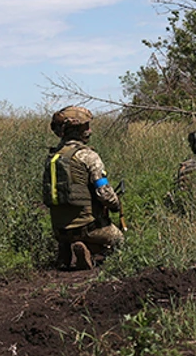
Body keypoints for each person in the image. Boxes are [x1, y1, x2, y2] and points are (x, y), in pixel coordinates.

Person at [42, 106, 123, 271]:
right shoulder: (88, 156)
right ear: (76, 130)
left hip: (59, 230)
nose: (90, 130)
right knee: (119, 241)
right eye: (86, 126)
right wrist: (116, 205)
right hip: (88, 227)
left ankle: (66, 249)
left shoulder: (52, 157)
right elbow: (104, 193)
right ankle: (88, 248)